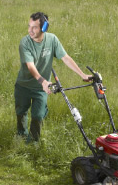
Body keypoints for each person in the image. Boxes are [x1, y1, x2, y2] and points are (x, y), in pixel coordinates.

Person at [15, 12, 91, 142]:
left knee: (38, 115)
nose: (30, 30)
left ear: (44, 28)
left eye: (34, 27)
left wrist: (82, 74)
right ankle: (21, 135)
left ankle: (33, 143)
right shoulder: (25, 43)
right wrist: (43, 81)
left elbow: (65, 58)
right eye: (29, 26)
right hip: (24, 85)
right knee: (21, 111)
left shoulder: (52, 40)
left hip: (41, 89)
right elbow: (30, 66)